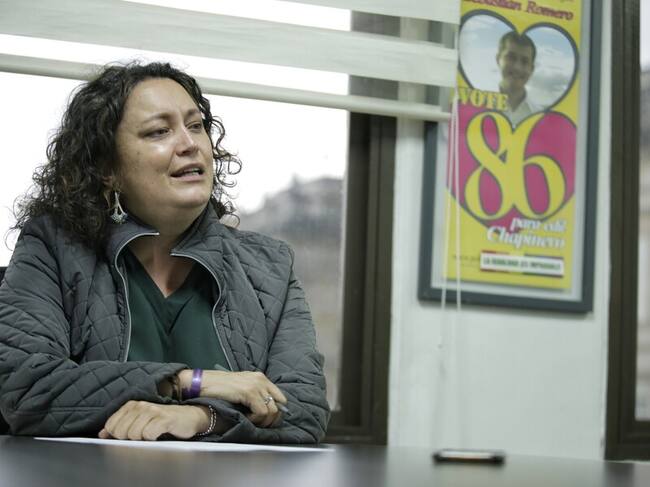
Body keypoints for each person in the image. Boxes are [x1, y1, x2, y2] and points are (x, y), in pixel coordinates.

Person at [0, 61, 329, 443]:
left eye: (196, 126)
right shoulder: (52, 248)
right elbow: (26, 389)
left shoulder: (271, 267)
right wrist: (188, 382)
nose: (190, 144)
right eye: (159, 131)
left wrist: (203, 417)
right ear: (107, 168)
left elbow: (304, 410)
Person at [496, 31, 541, 126]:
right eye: (511, 58)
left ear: (532, 69)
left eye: (525, 61)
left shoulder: (540, 117)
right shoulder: (475, 106)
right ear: (498, 59)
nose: (517, 67)